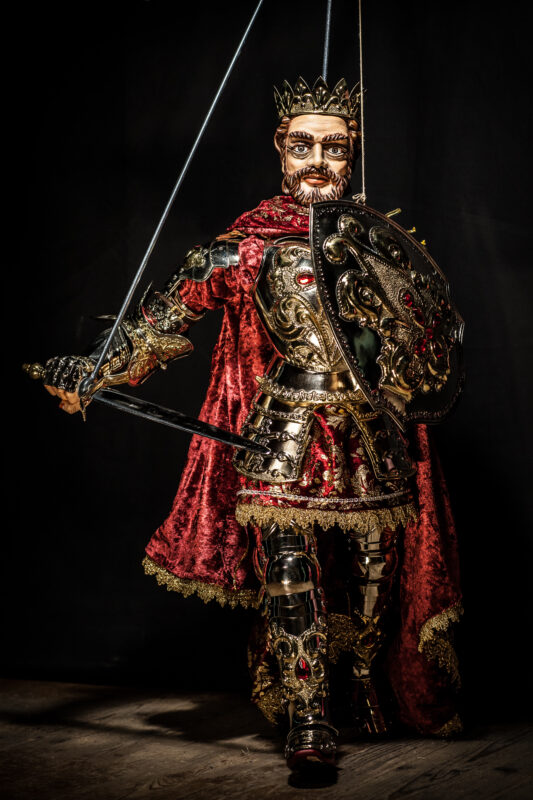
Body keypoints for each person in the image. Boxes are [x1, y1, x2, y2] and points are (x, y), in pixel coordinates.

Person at [37, 77, 464, 771]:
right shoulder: (243, 248)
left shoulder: (375, 245)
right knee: (290, 572)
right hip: (282, 431)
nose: (317, 160)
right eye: (303, 145)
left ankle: (361, 683)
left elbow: (422, 340)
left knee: (374, 573)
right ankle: (308, 717)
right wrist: (91, 371)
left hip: (371, 435)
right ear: (279, 148)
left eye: (334, 147)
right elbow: (158, 323)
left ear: (353, 154)